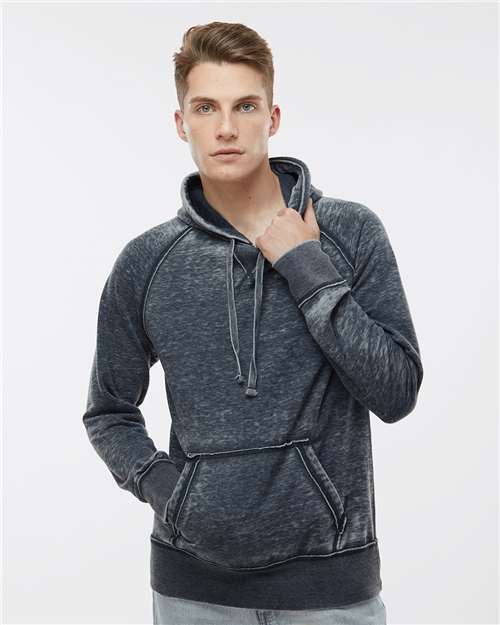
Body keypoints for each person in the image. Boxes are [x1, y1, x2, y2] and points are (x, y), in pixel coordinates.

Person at [82, 20, 423, 625]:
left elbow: (396, 392)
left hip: (331, 589)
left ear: (273, 117)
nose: (226, 128)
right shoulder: (147, 262)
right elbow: (108, 411)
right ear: (181, 122)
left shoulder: (349, 233)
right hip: (193, 591)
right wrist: (168, 492)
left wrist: (306, 266)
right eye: (205, 108)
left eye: (245, 106)